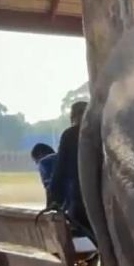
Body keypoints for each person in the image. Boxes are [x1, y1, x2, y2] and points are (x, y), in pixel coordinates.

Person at [50, 101, 92, 241]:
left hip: (81, 203)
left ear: (73, 117)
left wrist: (54, 201)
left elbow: (59, 172)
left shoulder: (70, 135)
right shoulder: (104, 131)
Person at [30, 142, 57, 208]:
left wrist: (48, 208)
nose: (37, 164)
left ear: (41, 155)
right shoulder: (61, 159)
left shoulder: (44, 162)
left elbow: (49, 188)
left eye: (36, 161)